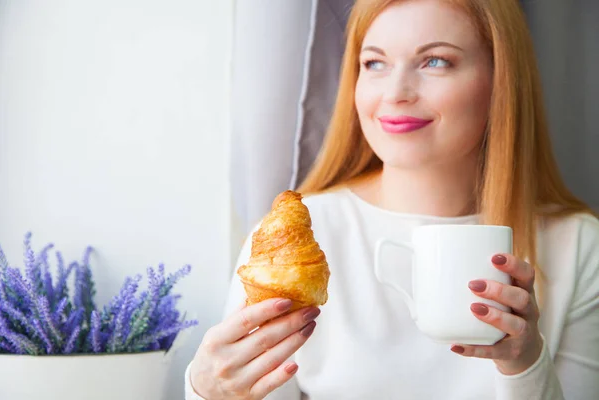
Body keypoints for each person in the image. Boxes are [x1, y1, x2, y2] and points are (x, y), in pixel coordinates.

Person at [185, 0, 599, 398]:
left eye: (435, 60)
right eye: (375, 63)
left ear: (501, 80)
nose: (396, 92)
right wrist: (210, 393)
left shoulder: (578, 246)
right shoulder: (297, 243)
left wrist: (524, 366)